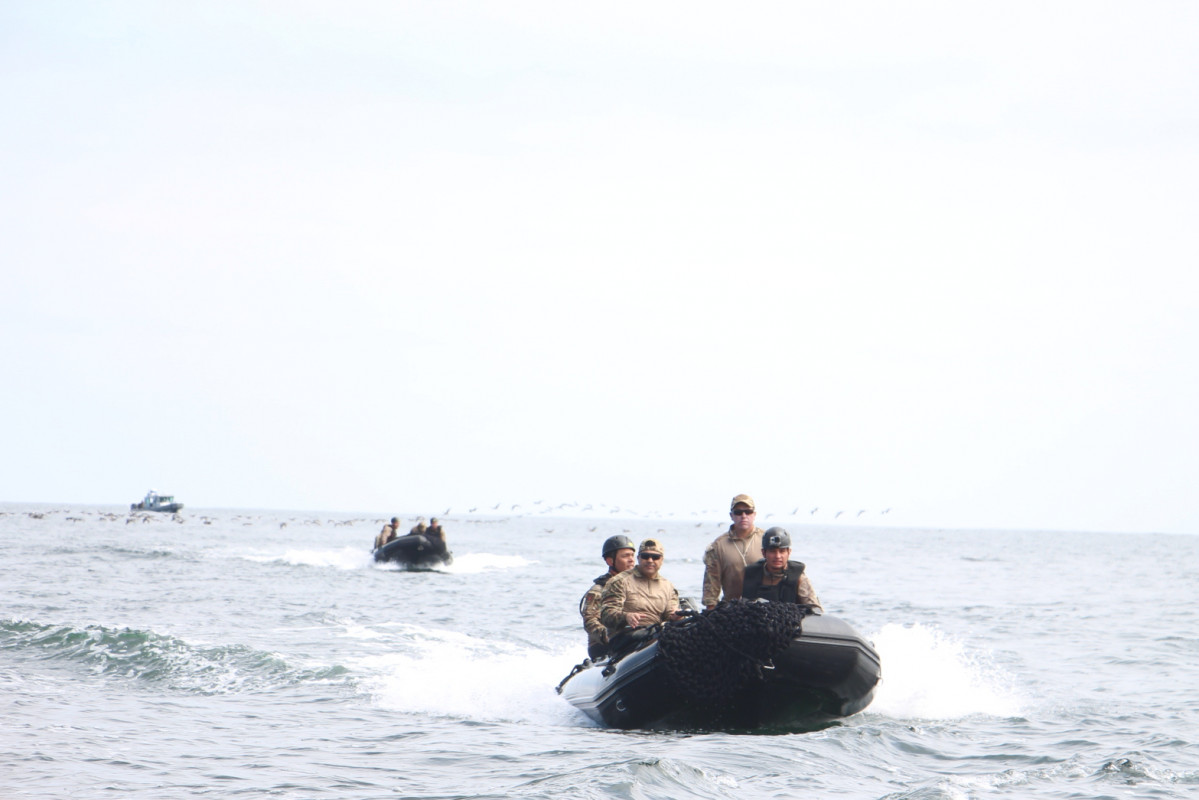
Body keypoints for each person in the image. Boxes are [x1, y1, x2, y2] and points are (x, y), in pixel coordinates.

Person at [599, 538, 682, 643]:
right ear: (638, 558)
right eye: (645, 556)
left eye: (655, 557)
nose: (650, 560)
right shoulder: (619, 581)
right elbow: (606, 615)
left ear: (662, 560)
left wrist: (676, 616)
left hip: (656, 636)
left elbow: (670, 614)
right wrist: (626, 616)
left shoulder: (668, 587)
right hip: (627, 638)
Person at [701, 494, 764, 609]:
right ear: (731, 515)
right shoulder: (718, 545)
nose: (743, 516)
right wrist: (710, 612)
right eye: (738, 512)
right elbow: (711, 585)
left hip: (764, 607)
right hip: (731, 609)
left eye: (748, 511)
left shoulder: (766, 540)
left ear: (754, 514)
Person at [579, 535, 636, 660]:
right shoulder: (599, 590)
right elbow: (590, 620)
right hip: (605, 645)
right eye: (625, 556)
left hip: (634, 637)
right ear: (610, 561)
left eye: (632, 555)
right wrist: (606, 635)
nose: (631, 560)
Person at [741, 527, 822, 609]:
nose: (777, 556)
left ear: (789, 552)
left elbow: (815, 610)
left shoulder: (798, 577)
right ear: (764, 553)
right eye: (772, 551)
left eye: (782, 551)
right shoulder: (751, 574)